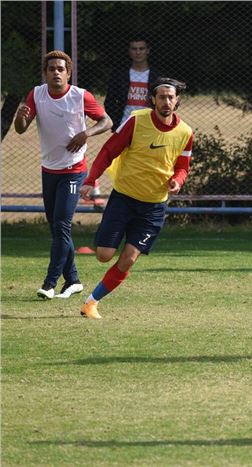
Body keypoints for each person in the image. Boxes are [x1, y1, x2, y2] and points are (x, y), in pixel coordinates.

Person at [79, 78, 193, 319]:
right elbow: (109, 150)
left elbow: (183, 166)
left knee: (129, 259)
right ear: (153, 99)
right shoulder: (137, 120)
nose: (166, 101)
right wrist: (90, 180)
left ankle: (91, 302)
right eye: (161, 97)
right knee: (104, 255)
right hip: (124, 198)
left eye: (171, 97)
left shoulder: (185, 132)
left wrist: (178, 181)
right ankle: (105, 239)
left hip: (154, 206)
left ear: (177, 100)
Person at [13, 50, 112, 300]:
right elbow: (21, 129)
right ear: (45, 73)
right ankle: (74, 280)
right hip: (49, 170)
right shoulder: (37, 94)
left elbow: (107, 121)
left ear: (68, 73)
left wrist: (86, 134)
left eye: (60, 69)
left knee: (61, 225)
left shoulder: (80, 96)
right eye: (51, 69)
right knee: (58, 229)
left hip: (74, 170)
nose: (56, 72)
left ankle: (50, 283)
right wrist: (19, 119)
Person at [85, 35, 161, 209]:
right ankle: (104, 195)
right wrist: (116, 124)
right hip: (125, 127)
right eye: (134, 48)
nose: (138, 52)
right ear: (129, 52)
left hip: (148, 129)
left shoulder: (156, 77)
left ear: (148, 51)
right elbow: (110, 101)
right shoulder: (120, 75)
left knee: (146, 165)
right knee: (115, 162)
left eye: (141, 48)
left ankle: (145, 200)